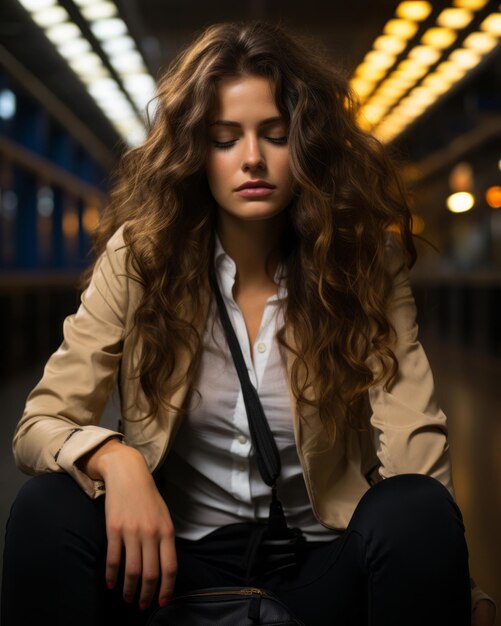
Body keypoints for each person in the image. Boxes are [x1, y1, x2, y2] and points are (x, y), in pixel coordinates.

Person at [1, 20, 496, 626]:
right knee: (45, 507)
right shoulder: (139, 257)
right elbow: (40, 424)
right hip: (170, 564)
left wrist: (449, 575)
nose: (253, 159)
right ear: (194, 152)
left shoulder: (364, 260)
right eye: (225, 138)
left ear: (306, 144)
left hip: (321, 560)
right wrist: (115, 459)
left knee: (414, 505)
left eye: (276, 134)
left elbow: (414, 442)